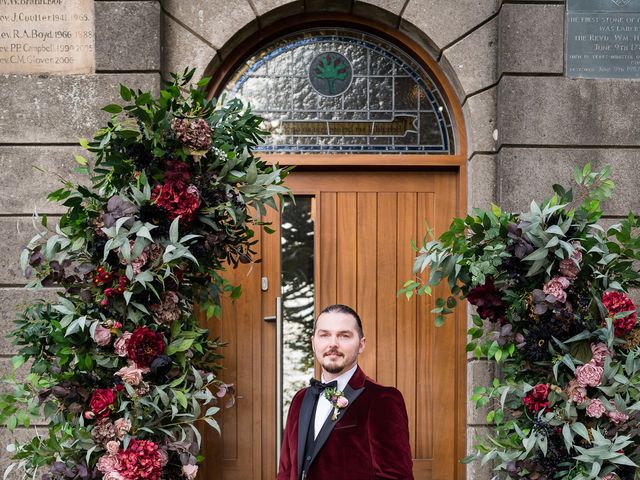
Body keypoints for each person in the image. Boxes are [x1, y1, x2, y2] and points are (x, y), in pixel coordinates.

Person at [277, 304, 414, 480]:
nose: (333, 343)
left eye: (344, 336)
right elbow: (285, 471)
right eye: (324, 335)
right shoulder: (300, 399)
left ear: (361, 344)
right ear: (313, 342)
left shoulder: (382, 399)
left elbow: (396, 476)